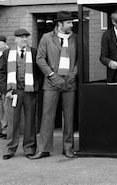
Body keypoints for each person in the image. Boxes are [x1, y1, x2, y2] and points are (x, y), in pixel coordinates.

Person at [30, 11, 78, 159]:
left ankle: (68, 148)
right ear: (60, 24)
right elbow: (40, 58)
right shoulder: (47, 38)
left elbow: (79, 60)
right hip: (51, 82)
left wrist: (73, 74)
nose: (71, 25)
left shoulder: (75, 38)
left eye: (71, 22)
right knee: (47, 116)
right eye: (69, 22)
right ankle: (44, 149)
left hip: (69, 82)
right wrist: (51, 75)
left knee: (69, 116)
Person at [0, 28, 40, 160]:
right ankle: (10, 149)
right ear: (15, 39)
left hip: (29, 92)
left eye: (26, 37)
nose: (24, 39)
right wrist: (6, 90)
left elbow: (39, 72)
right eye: (21, 37)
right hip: (13, 92)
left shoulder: (33, 52)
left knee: (30, 121)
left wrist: (35, 87)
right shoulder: (8, 53)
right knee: (12, 121)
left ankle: (29, 148)